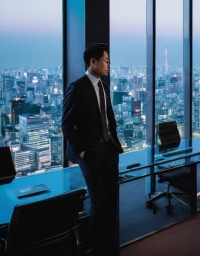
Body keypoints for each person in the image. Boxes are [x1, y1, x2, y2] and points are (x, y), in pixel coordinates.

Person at [62, 43, 123, 256]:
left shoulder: (104, 86)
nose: (109, 65)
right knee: (99, 202)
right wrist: (81, 152)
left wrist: (114, 143)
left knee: (112, 200)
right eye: (106, 61)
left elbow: (109, 118)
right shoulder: (77, 88)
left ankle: (110, 244)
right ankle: (97, 248)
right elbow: (66, 125)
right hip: (90, 153)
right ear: (93, 62)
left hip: (108, 150)